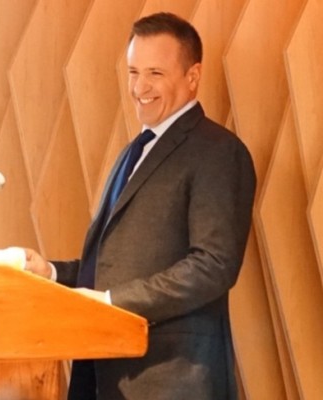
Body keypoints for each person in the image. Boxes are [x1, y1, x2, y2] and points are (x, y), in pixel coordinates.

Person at [24, 12, 256, 400]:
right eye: (133, 72)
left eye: (155, 73)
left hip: (169, 381)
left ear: (193, 77)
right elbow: (114, 267)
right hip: (103, 372)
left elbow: (213, 266)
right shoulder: (134, 152)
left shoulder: (219, 152)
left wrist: (112, 303)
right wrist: (51, 272)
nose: (139, 87)